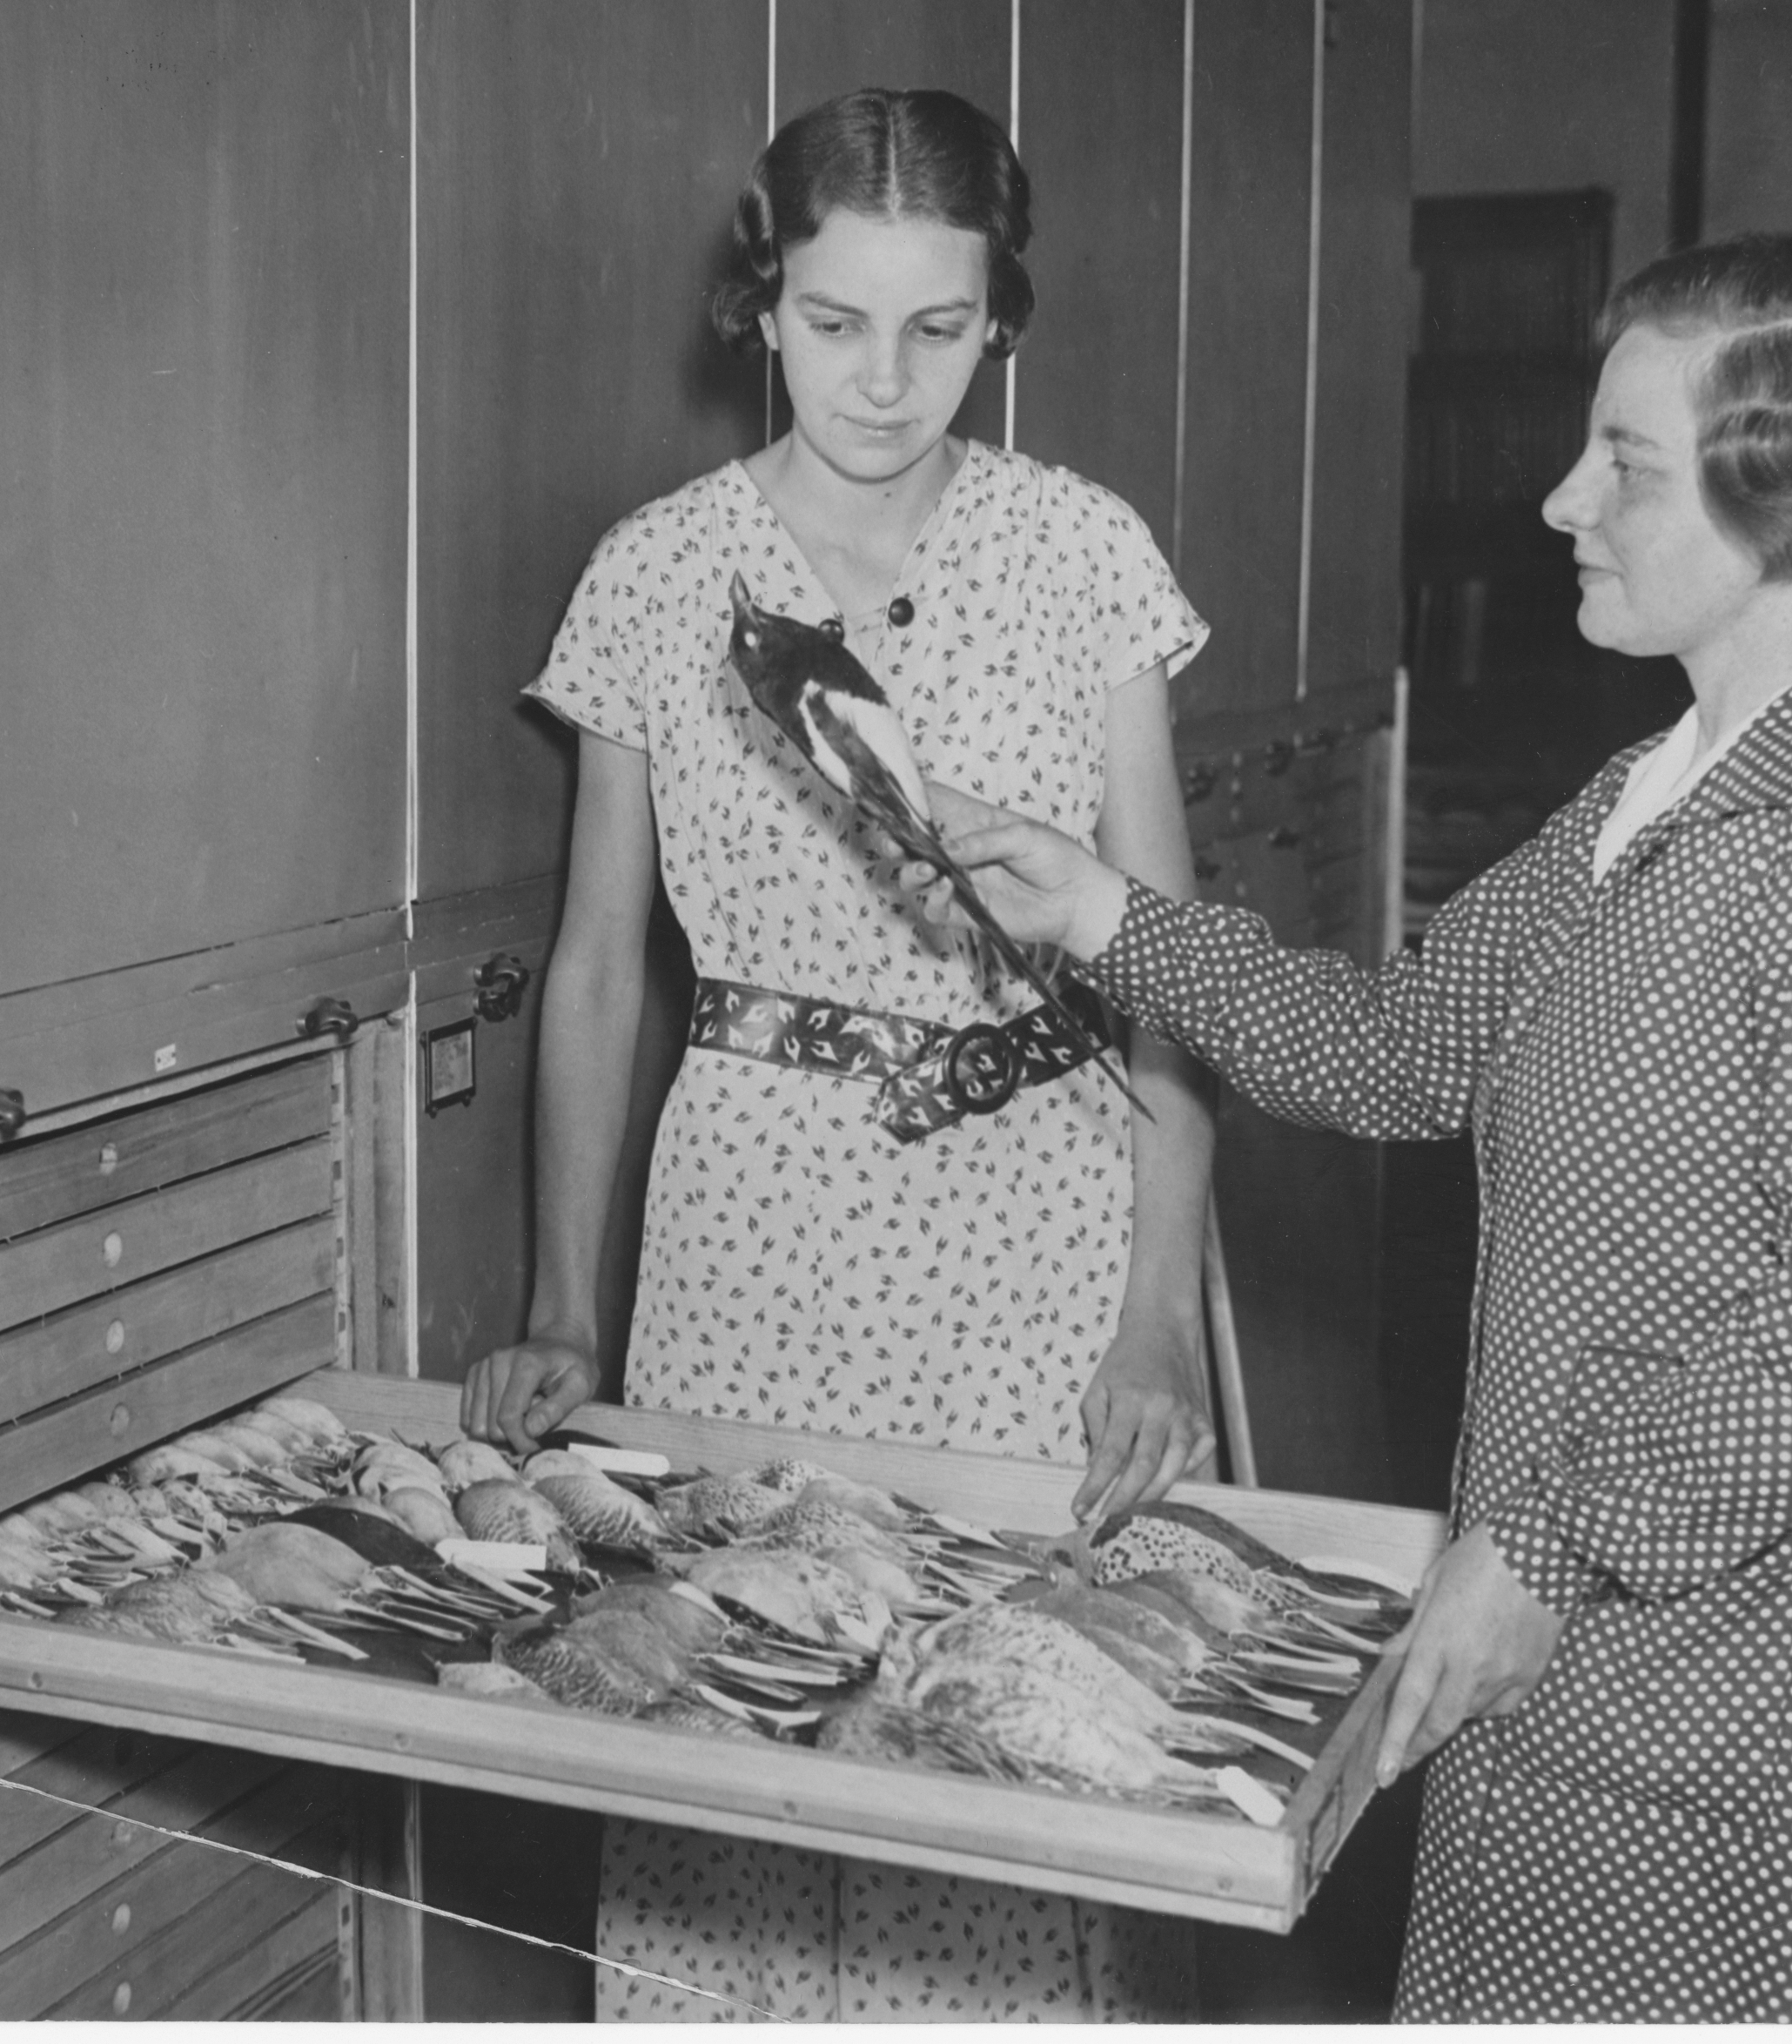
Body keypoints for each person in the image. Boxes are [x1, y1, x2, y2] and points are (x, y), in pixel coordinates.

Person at [916, 233, 1792, 2021]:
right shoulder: (1649, 790)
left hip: (1738, 1687)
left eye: (1627, 465)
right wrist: (1103, 918)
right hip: (1555, 1613)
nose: (1558, 494)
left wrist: (1549, 1542)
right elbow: (1400, 1046)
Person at [461, 88, 1214, 2021]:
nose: (884, 379)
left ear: (1001, 320)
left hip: (1034, 1225)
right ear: (760, 301)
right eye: (833, 320)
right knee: (736, 1732)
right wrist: (564, 1297)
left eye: (939, 328)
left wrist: (1153, 1319)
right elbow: (602, 967)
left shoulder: (1082, 552)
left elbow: (1165, 968)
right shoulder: (658, 571)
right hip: (755, 1222)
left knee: (998, 1735)